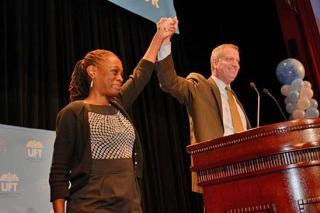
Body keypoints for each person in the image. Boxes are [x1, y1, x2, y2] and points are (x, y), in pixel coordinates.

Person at [49, 18, 176, 213]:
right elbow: (59, 172)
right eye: (114, 72)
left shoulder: (118, 105)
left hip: (129, 206)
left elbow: (140, 74)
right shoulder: (74, 112)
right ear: (93, 72)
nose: (120, 78)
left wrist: (159, 37)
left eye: (121, 73)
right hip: (90, 207)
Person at [156, 18, 251, 194]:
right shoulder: (199, 86)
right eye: (230, 59)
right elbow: (169, 82)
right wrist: (164, 43)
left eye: (237, 61)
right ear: (215, 63)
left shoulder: (236, 99)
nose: (236, 64)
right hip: (218, 170)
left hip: (247, 170)